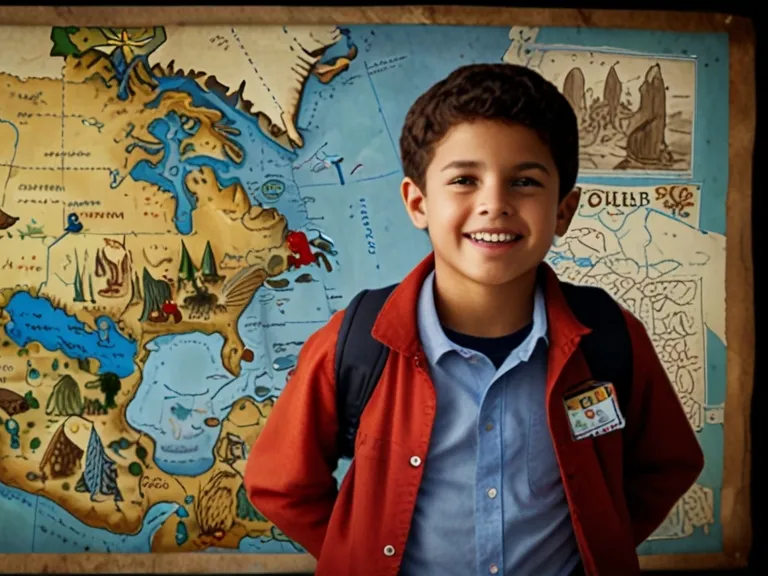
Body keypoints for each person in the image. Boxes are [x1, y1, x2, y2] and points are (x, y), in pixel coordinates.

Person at [243, 63, 704, 576]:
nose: (494, 204)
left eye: (525, 181)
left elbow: (667, 465)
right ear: (418, 203)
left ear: (563, 211)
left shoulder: (609, 338)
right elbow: (280, 484)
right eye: (464, 179)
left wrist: (598, 540)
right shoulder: (357, 342)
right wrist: (360, 552)